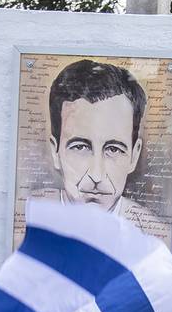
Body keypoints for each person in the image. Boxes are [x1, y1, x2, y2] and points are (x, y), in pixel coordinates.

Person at [41, 59, 158, 228]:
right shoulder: (23, 220)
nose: (96, 176)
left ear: (134, 156)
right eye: (80, 147)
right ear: (55, 151)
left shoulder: (157, 236)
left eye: (113, 149)